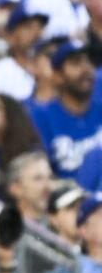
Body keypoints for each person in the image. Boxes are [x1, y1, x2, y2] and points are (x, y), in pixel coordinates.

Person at [29, 40, 102, 178]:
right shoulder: (41, 117)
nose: (86, 69)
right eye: (76, 63)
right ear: (57, 76)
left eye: (89, 62)